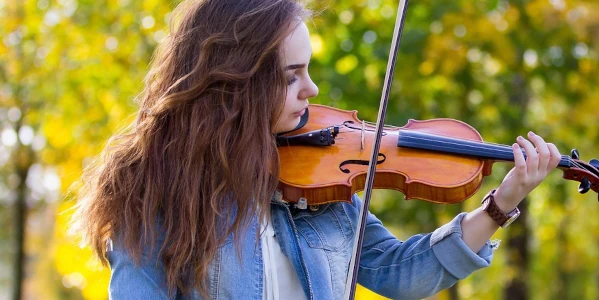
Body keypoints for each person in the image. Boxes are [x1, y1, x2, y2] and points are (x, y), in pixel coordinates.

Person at [72, 0, 561, 299]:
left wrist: (502, 203)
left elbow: (401, 274)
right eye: (291, 76)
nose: (311, 88)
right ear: (237, 83)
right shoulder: (159, 194)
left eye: (307, 69)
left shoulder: (320, 183)